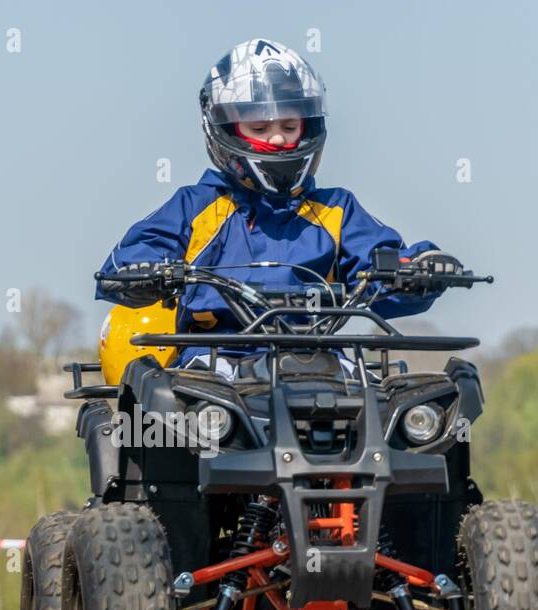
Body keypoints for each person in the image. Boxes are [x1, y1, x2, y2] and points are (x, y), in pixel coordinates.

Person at [96, 38, 464, 375]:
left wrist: (419, 269)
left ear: (310, 125)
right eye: (259, 126)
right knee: (165, 409)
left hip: (321, 355)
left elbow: (380, 260)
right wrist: (145, 271)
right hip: (214, 359)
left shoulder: (336, 209)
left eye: (289, 125)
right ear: (223, 130)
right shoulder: (195, 206)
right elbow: (126, 260)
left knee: (409, 406)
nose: (277, 137)